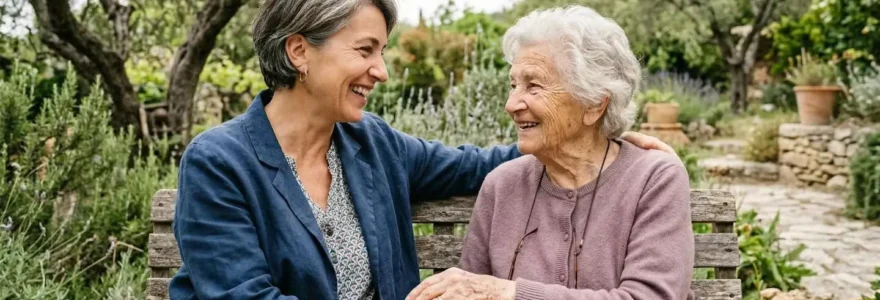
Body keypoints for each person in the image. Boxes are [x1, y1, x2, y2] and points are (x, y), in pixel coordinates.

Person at [170, 0, 676, 299]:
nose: (382, 71)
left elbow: (473, 165)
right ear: (299, 51)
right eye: (365, 50)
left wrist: (590, 135)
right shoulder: (221, 163)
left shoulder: (372, 145)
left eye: (382, 52)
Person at [406, 5, 695, 300]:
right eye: (513, 85)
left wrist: (509, 293)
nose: (511, 104)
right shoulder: (502, 185)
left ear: (595, 104)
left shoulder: (652, 179)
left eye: (533, 86)